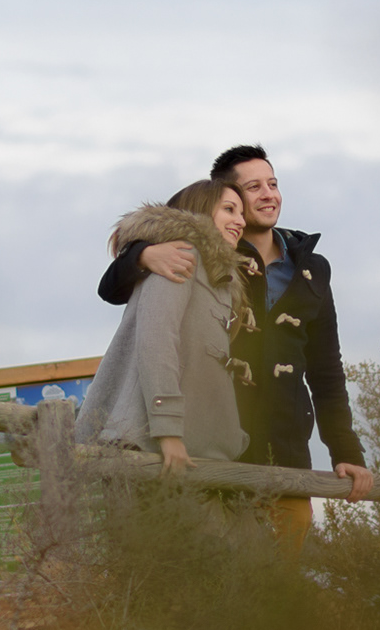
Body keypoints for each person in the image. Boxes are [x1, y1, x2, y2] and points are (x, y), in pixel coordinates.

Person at [98, 145, 372, 554]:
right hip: (214, 448)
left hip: (286, 450)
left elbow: (327, 371)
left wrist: (346, 451)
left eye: (273, 184)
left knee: (282, 584)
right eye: (253, 187)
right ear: (228, 199)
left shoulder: (313, 269)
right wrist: (142, 252)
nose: (268, 194)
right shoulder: (207, 255)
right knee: (215, 577)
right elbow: (113, 290)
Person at [77, 180, 251, 474]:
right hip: (148, 448)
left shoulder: (219, 279)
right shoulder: (180, 255)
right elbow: (157, 342)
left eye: (242, 213)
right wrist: (168, 432)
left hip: (192, 455)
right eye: (229, 209)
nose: (241, 221)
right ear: (202, 210)